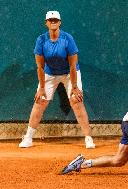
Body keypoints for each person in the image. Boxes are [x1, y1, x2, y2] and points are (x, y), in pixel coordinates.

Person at [19, 11, 95, 149]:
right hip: (49, 73)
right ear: (46, 23)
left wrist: (75, 87)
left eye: (56, 20)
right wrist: (41, 88)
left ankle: (88, 138)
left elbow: (73, 65)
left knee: (76, 101)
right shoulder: (41, 40)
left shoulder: (68, 39)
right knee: (40, 101)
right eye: (50, 20)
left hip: (69, 73)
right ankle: (28, 138)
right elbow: (40, 67)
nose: (53, 22)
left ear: (59, 22)